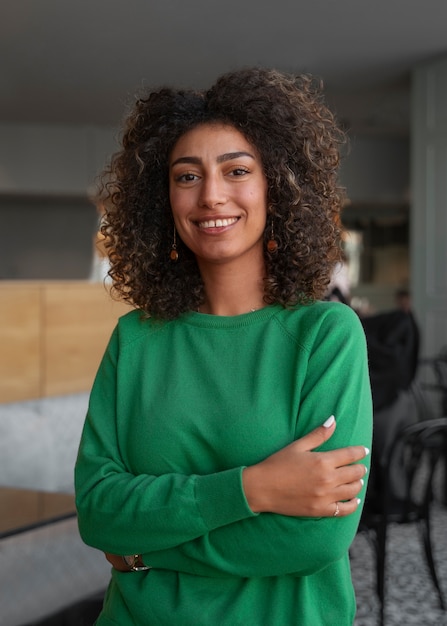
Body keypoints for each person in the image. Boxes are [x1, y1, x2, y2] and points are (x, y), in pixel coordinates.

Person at [75, 67, 372, 626]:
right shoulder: (135, 338)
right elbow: (97, 512)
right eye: (186, 176)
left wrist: (145, 552)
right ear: (163, 199)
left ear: (277, 186)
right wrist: (252, 489)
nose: (211, 195)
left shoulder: (325, 335)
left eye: (237, 170)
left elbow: (314, 539)